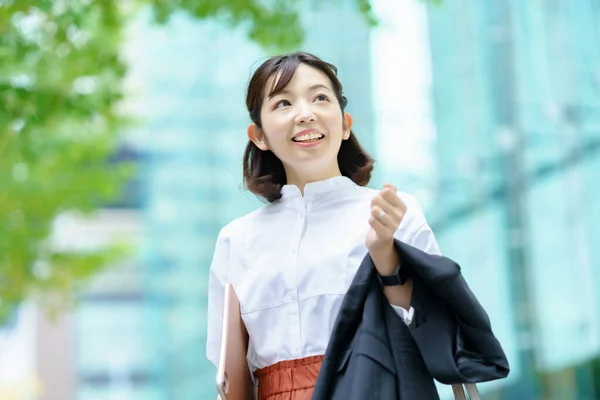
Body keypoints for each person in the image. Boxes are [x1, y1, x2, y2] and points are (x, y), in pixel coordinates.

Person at [206, 51, 447, 398]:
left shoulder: (393, 211)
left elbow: (434, 333)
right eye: (283, 103)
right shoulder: (237, 239)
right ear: (258, 135)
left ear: (345, 124)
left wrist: (385, 257)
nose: (305, 114)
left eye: (320, 97)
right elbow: (228, 371)